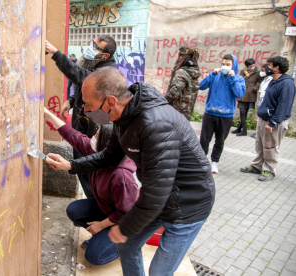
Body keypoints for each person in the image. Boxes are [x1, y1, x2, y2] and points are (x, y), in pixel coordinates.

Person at [46, 67, 215, 276]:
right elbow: (108, 157)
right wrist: (71, 165)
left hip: (188, 206)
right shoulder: (123, 119)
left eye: (88, 105)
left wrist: (123, 227)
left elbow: (156, 193)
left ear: (109, 102)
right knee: (126, 246)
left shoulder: (155, 124)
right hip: (161, 198)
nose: (85, 111)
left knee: (159, 272)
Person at [44, 107, 139, 266]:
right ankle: (105, 235)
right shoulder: (99, 153)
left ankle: (126, 246)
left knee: (94, 256)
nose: (92, 138)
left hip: (128, 221)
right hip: (111, 209)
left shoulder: (121, 176)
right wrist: (47, 113)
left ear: (107, 145)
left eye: (96, 135)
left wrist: (101, 225)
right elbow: (72, 135)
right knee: (74, 210)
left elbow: (127, 212)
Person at [45, 36, 117, 198]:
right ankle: (93, 201)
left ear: (105, 56)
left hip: (93, 130)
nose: (92, 48)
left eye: (97, 48)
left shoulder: (107, 72)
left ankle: (95, 204)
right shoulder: (93, 63)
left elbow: (82, 77)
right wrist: (71, 101)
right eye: (93, 44)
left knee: (88, 171)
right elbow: (83, 88)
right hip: (82, 123)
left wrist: (56, 53)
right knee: (82, 165)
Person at [240, 56, 295, 181]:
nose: (266, 67)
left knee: (270, 146)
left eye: (269, 65)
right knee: (260, 145)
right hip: (263, 119)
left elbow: (284, 105)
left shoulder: (287, 83)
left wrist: (273, 122)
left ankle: (269, 170)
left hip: (273, 122)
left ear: (277, 67)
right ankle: (257, 166)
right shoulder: (272, 80)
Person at [199, 54, 246, 174]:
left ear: (233, 65)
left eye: (228, 65)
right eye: (223, 64)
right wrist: (212, 74)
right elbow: (201, 86)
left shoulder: (238, 78)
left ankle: (214, 162)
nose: (225, 66)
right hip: (210, 113)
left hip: (226, 115)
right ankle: (201, 162)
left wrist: (233, 78)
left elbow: (239, 93)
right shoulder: (215, 76)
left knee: (220, 141)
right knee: (204, 139)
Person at [165, 46, 201, 121]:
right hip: (186, 114)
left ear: (180, 58)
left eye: (176, 56)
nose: (175, 58)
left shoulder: (181, 72)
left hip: (176, 114)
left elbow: (174, 93)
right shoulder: (193, 72)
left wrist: (162, 102)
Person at [232, 58, 264, 136]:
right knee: (242, 111)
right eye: (250, 66)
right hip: (242, 93)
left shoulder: (258, 73)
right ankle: (241, 128)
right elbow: (239, 79)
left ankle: (244, 130)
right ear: (247, 66)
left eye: (253, 65)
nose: (252, 67)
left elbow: (260, 81)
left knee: (244, 112)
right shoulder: (243, 72)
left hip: (250, 94)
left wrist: (255, 88)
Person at [250, 64, 273, 139]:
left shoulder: (270, 79)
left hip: (265, 101)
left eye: (263, 70)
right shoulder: (264, 79)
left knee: (262, 118)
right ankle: (258, 132)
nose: (261, 72)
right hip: (261, 99)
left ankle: (260, 133)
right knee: (259, 117)